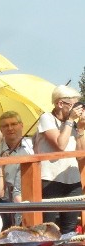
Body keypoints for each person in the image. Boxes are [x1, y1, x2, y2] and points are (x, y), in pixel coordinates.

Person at [33, 84, 85, 234]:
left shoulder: (72, 124)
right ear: (60, 103)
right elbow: (60, 145)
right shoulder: (46, 118)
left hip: (72, 180)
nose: (79, 109)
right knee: (49, 229)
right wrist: (70, 121)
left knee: (70, 229)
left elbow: (80, 155)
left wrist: (80, 128)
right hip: (50, 180)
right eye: (75, 104)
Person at [0, 111, 34, 208]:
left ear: (21, 125)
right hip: (6, 203)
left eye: (13, 124)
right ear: (1, 129)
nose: (10, 128)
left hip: (33, 197)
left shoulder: (33, 146)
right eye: (5, 126)